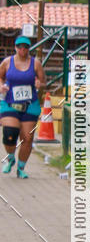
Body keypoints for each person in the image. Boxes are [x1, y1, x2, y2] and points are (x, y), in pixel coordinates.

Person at [0, 36, 46, 178]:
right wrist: (1, 86)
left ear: (28, 49)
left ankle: (21, 167)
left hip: (29, 105)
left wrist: (39, 84)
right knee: (9, 133)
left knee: (27, 138)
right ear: (15, 47)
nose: (22, 50)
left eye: (25, 47)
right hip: (10, 104)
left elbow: (43, 82)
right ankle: (11, 157)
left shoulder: (35, 63)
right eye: (19, 47)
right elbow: (0, 77)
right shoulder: (7, 62)